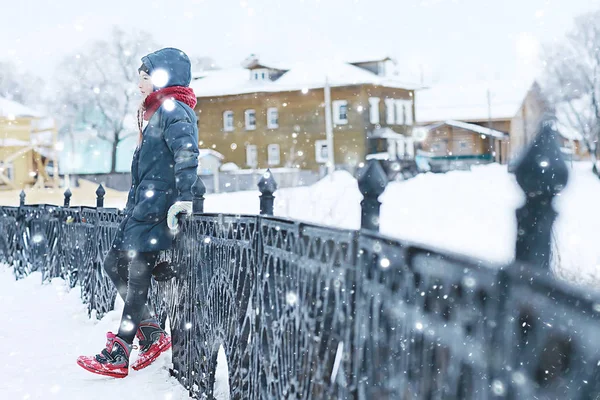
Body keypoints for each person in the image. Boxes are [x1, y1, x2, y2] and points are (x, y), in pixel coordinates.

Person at [77, 47, 199, 378]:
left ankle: (120, 350)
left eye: (145, 78)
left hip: (158, 208)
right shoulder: (158, 113)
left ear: (163, 78)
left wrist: (185, 198)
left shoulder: (174, 111)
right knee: (113, 263)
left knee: (137, 272)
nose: (139, 85)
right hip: (142, 207)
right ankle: (152, 334)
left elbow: (187, 153)